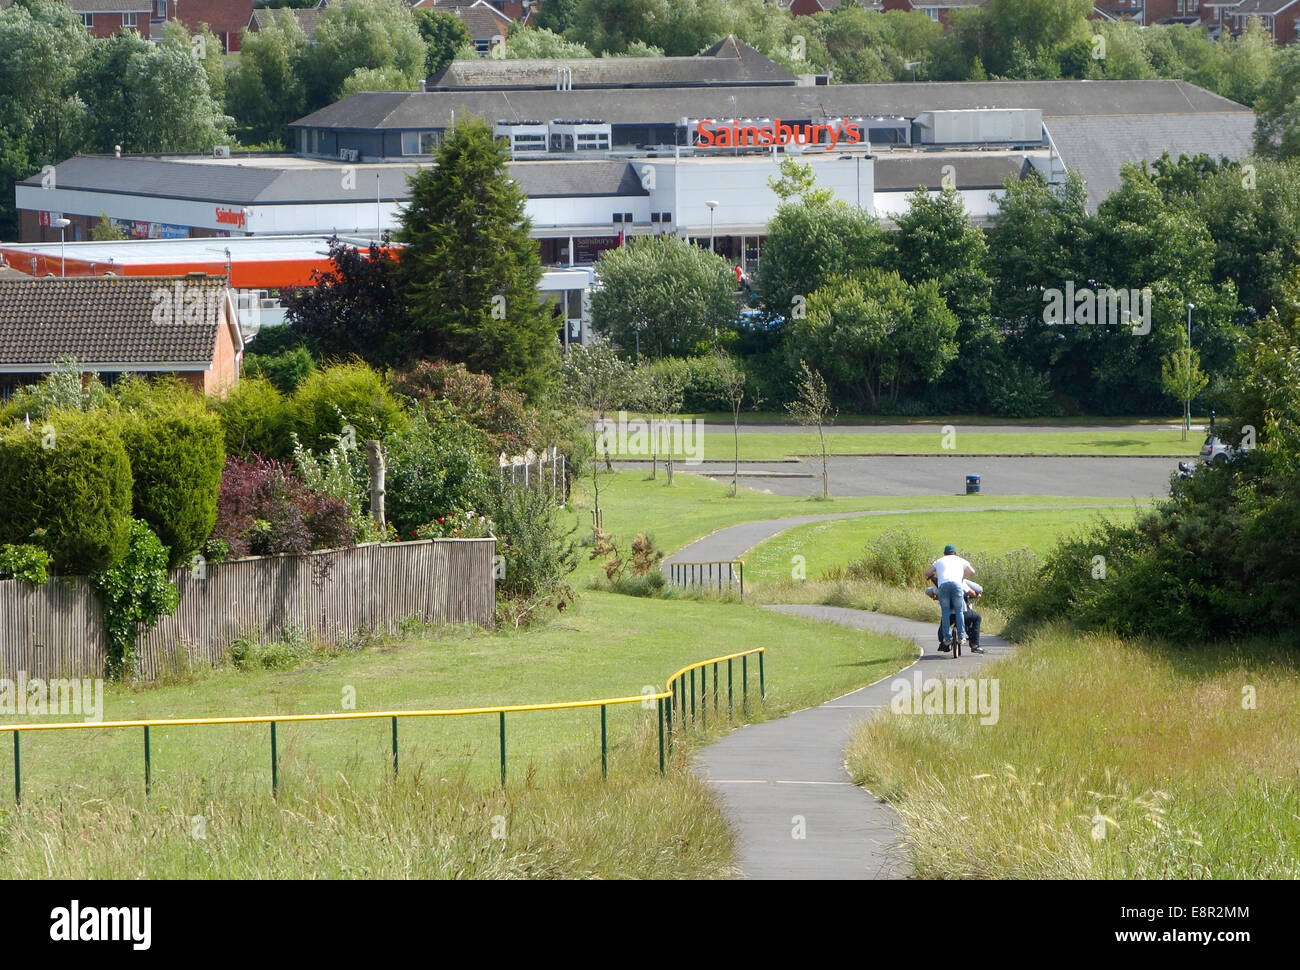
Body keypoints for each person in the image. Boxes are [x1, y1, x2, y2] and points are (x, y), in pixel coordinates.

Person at [923, 544, 974, 652]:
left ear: (944, 553)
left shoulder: (939, 561)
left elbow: (927, 572)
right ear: (955, 553)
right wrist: (962, 577)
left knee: (945, 613)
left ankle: (947, 638)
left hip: (943, 587)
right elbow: (972, 571)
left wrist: (934, 576)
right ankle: (961, 636)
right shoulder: (960, 560)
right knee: (959, 611)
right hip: (957, 585)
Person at [924, 578, 983, 653]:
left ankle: (944, 642)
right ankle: (974, 644)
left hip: (949, 614)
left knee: (944, 622)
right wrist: (976, 595)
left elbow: (928, 591)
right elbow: (979, 589)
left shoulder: (941, 583)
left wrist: (936, 597)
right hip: (964, 612)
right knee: (976, 618)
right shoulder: (961, 581)